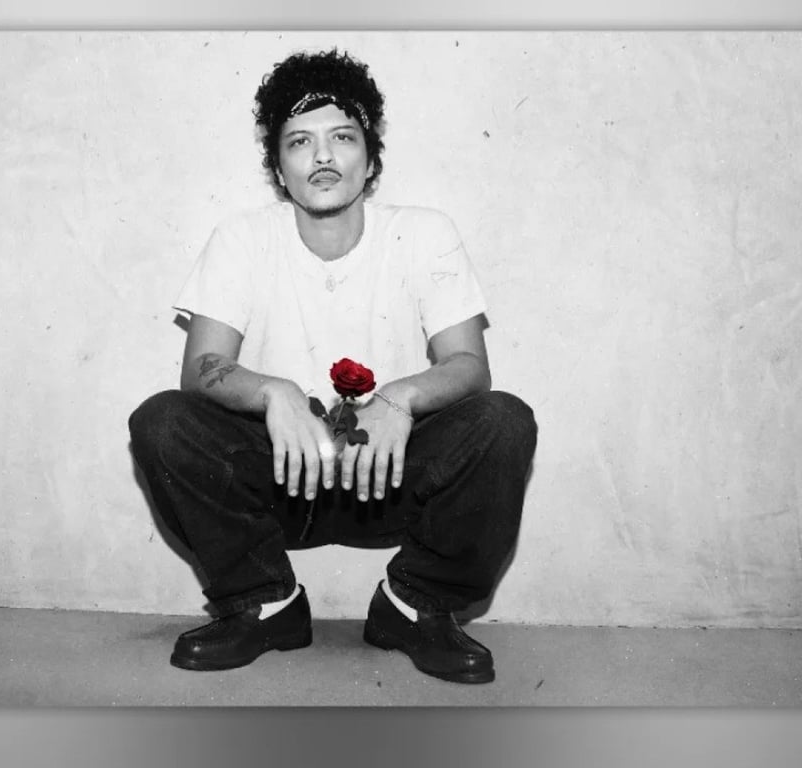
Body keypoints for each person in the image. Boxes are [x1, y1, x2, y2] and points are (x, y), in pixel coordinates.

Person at [129, 48, 537, 684]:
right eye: (300, 142)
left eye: (342, 137)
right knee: (162, 420)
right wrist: (276, 393)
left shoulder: (424, 233)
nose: (322, 157)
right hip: (282, 479)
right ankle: (265, 606)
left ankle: (415, 607)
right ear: (279, 168)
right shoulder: (241, 238)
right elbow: (202, 366)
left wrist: (399, 398)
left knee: (504, 421)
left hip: (390, 476)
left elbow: (469, 365)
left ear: (370, 159)